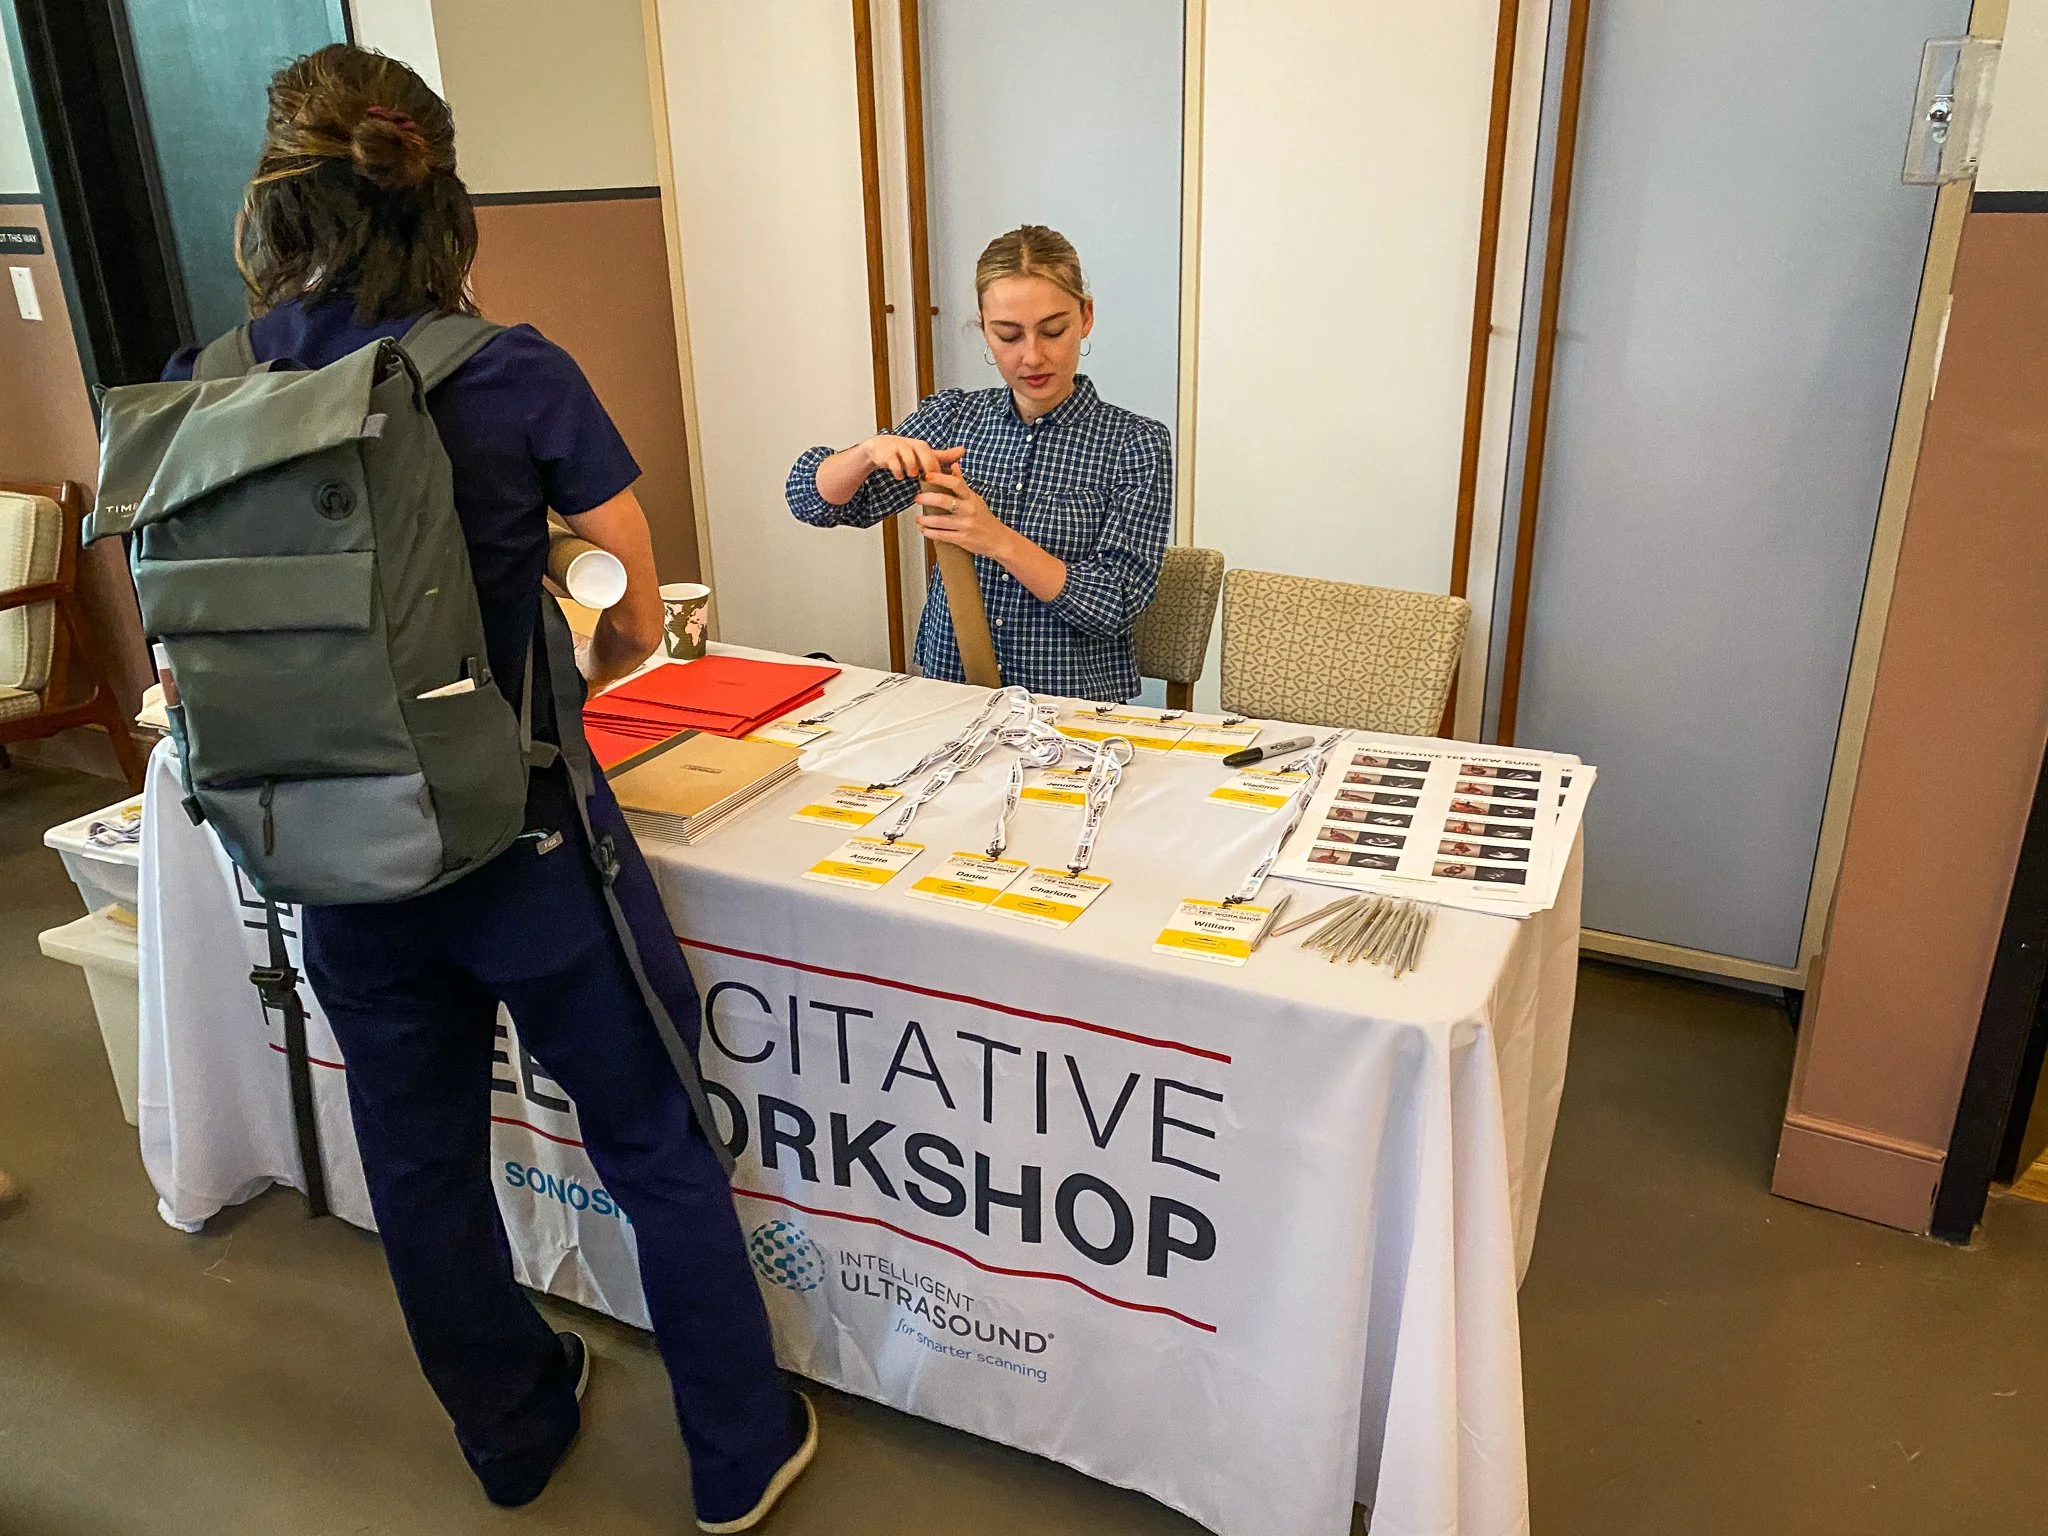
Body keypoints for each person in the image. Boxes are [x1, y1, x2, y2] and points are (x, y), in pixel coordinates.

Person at [162, 46, 812, 1530]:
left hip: (325, 849)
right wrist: (570, 654)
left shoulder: (215, 383)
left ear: (275, 199)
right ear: (442, 194)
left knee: (420, 1161)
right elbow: (638, 608)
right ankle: (734, 1452)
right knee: (650, 1138)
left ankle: (512, 1433)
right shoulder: (508, 370)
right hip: (522, 850)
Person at [786, 224, 1171, 702]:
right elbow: (811, 501)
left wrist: (998, 540)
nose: (1032, 356)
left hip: (1069, 705)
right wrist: (866, 453)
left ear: (1085, 317)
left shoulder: (1135, 443)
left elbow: (1116, 604)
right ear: (984, 328)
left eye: (1053, 330)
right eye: (1008, 335)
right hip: (949, 694)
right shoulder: (952, 419)